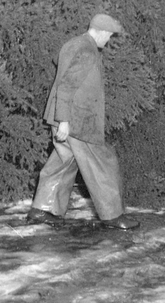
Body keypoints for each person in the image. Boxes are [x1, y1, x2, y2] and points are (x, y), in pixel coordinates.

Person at [27, 12, 139, 231]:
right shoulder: (87, 50)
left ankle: (42, 209)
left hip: (64, 117)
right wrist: (64, 120)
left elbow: (61, 73)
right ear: (101, 31)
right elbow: (66, 85)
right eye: (109, 35)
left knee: (64, 162)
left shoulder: (73, 44)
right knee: (103, 164)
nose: (108, 40)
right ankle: (113, 216)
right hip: (77, 121)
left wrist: (60, 119)